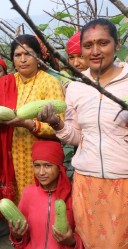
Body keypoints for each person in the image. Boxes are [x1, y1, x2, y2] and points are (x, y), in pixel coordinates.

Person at [38, 18, 128, 249]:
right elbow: (76, 137)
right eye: (88, 46)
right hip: (86, 180)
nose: (95, 51)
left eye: (103, 43)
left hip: (124, 180)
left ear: (117, 44)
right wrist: (56, 124)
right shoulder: (77, 87)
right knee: (89, 241)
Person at [0, 34, 65, 204]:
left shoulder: (50, 82)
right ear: (12, 59)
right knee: (15, 205)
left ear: (38, 56)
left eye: (28, 54)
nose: (23, 59)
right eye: (17, 55)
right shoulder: (5, 83)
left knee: (40, 204)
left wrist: (28, 124)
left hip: (40, 160)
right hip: (10, 155)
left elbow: (59, 126)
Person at [9, 140, 83, 249]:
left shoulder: (73, 196)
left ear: (59, 168)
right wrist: (17, 236)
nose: (41, 172)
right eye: (37, 165)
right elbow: (23, 239)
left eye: (47, 165)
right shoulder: (28, 193)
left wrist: (72, 241)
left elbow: (85, 237)